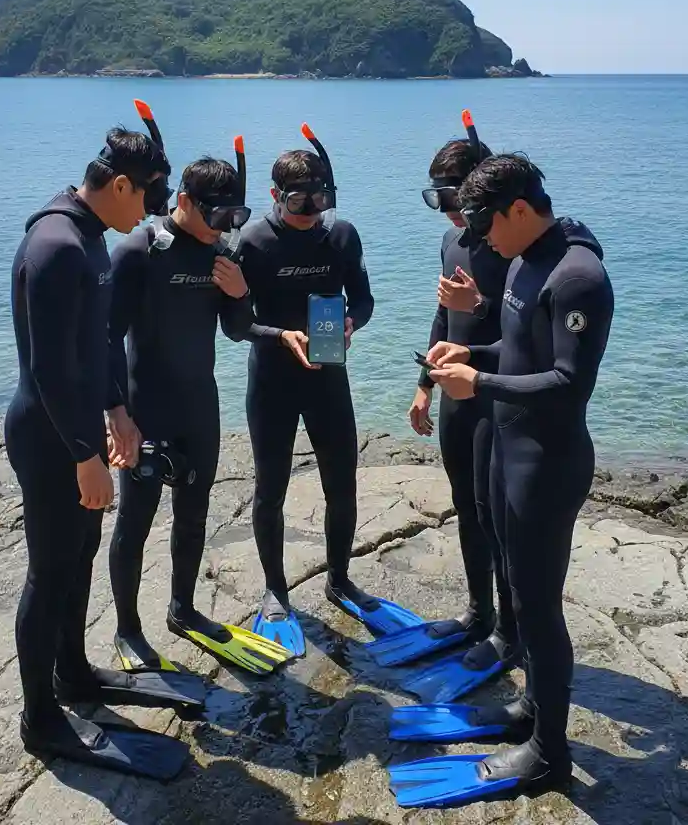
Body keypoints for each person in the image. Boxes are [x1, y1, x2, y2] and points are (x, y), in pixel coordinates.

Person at [388, 153, 614, 807]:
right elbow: (519, 350)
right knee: (517, 590)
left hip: (548, 461)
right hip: (507, 454)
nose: (478, 237)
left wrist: (479, 381)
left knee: (540, 609)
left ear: (520, 208)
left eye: (487, 222)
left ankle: (550, 754)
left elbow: (569, 384)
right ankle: (529, 710)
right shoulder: (522, 258)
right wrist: (471, 351)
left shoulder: (578, 277)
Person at [4, 125, 200, 782]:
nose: (150, 211)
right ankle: (42, 717)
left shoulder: (89, 238)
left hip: (82, 427)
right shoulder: (57, 245)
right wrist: (85, 453)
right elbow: (52, 366)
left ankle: (73, 675)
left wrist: (117, 408)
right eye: (149, 197)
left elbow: (99, 340)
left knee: (80, 552)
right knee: (50, 570)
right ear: (119, 184)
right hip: (50, 435)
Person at [106, 139, 294, 676]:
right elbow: (106, 337)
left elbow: (238, 331)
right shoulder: (139, 250)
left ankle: (182, 609)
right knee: (135, 523)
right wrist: (115, 413)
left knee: (193, 518)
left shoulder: (220, 254)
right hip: (144, 413)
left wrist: (240, 295)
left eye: (236, 216)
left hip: (199, 412)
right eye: (216, 214)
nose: (225, 226)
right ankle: (126, 628)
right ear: (183, 200)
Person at [239, 124, 420, 655]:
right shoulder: (254, 240)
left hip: (328, 377)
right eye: (300, 201)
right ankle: (276, 590)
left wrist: (350, 325)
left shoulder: (340, 235)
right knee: (270, 489)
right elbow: (236, 322)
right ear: (275, 196)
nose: (312, 210)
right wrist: (280, 334)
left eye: (321, 198)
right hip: (272, 380)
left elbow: (363, 300)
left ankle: (338, 578)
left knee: (342, 484)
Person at [368, 122, 519, 693]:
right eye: (437, 200)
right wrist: (423, 385)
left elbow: (530, 330)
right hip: (455, 399)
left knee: (496, 515)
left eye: (453, 199)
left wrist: (478, 301)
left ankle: (511, 627)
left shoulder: (512, 247)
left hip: (496, 398)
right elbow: (443, 320)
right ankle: (479, 613)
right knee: (465, 506)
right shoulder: (453, 242)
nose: (447, 213)